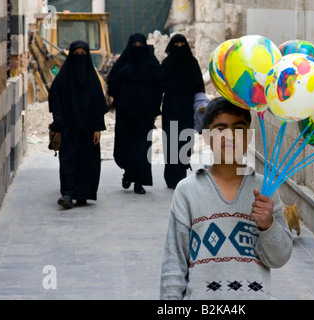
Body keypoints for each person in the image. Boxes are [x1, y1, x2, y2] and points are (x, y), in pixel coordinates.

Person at [160, 97, 293, 300]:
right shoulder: (187, 191)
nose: (230, 136)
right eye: (220, 128)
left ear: (249, 135)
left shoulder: (265, 190)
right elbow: (173, 265)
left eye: (238, 128)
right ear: (206, 136)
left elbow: (279, 258)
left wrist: (268, 225)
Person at [48, 40, 108, 209]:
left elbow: (98, 104)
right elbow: (55, 98)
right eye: (76, 55)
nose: (80, 58)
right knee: (68, 160)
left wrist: (98, 127)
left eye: (83, 54)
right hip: (69, 127)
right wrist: (57, 124)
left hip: (89, 129)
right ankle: (67, 193)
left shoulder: (92, 81)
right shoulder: (63, 79)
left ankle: (83, 194)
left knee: (88, 162)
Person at [107, 33, 163, 194]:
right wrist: (123, 74)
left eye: (140, 46)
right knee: (126, 146)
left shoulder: (151, 64)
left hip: (145, 113)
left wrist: (154, 107)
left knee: (143, 147)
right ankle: (128, 172)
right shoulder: (123, 64)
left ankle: (140, 181)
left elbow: (160, 84)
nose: (137, 49)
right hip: (125, 113)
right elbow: (111, 85)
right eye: (135, 46)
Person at [161, 34, 205, 189]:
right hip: (171, 107)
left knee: (185, 141)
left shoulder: (192, 63)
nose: (179, 47)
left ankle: (181, 174)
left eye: (182, 44)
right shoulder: (166, 63)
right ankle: (172, 177)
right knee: (171, 141)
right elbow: (160, 85)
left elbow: (199, 85)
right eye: (176, 44)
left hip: (187, 107)